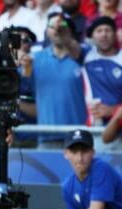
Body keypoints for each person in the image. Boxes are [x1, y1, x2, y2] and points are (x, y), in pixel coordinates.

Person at [83, 16, 122, 150]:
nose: (104, 34)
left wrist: (114, 110)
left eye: (108, 30)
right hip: (94, 128)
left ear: (115, 34)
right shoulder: (85, 56)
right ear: (93, 36)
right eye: (99, 31)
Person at [32, 13, 87, 149]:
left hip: (79, 136)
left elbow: (77, 50)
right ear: (46, 32)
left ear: (70, 31)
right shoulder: (35, 59)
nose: (57, 29)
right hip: (47, 137)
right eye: (52, 26)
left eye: (62, 25)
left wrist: (65, 36)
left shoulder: (84, 55)